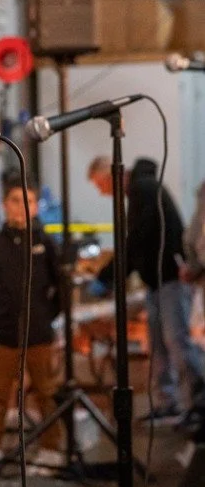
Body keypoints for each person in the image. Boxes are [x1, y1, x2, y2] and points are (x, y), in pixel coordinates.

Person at [89, 155, 205, 423]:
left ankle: (199, 404)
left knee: (178, 342)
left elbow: (137, 240)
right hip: (157, 281)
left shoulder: (144, 189)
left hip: (170, 279)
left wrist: (109, 276)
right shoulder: (141, 190)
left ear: (109, 176)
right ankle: (168, 401)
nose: (102, 192)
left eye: (100, 185)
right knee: (159, 346)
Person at [0, 180, 63, 472]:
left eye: (28, 201)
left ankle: (52, 448)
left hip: (39, 331)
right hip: (5, 332)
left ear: (36, 206)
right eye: (16, 200)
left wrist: (46, 315)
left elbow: (60, 286)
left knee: (46, 391)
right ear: (5, 204)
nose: (22, 206)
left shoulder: (47, 242)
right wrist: (2, 311)